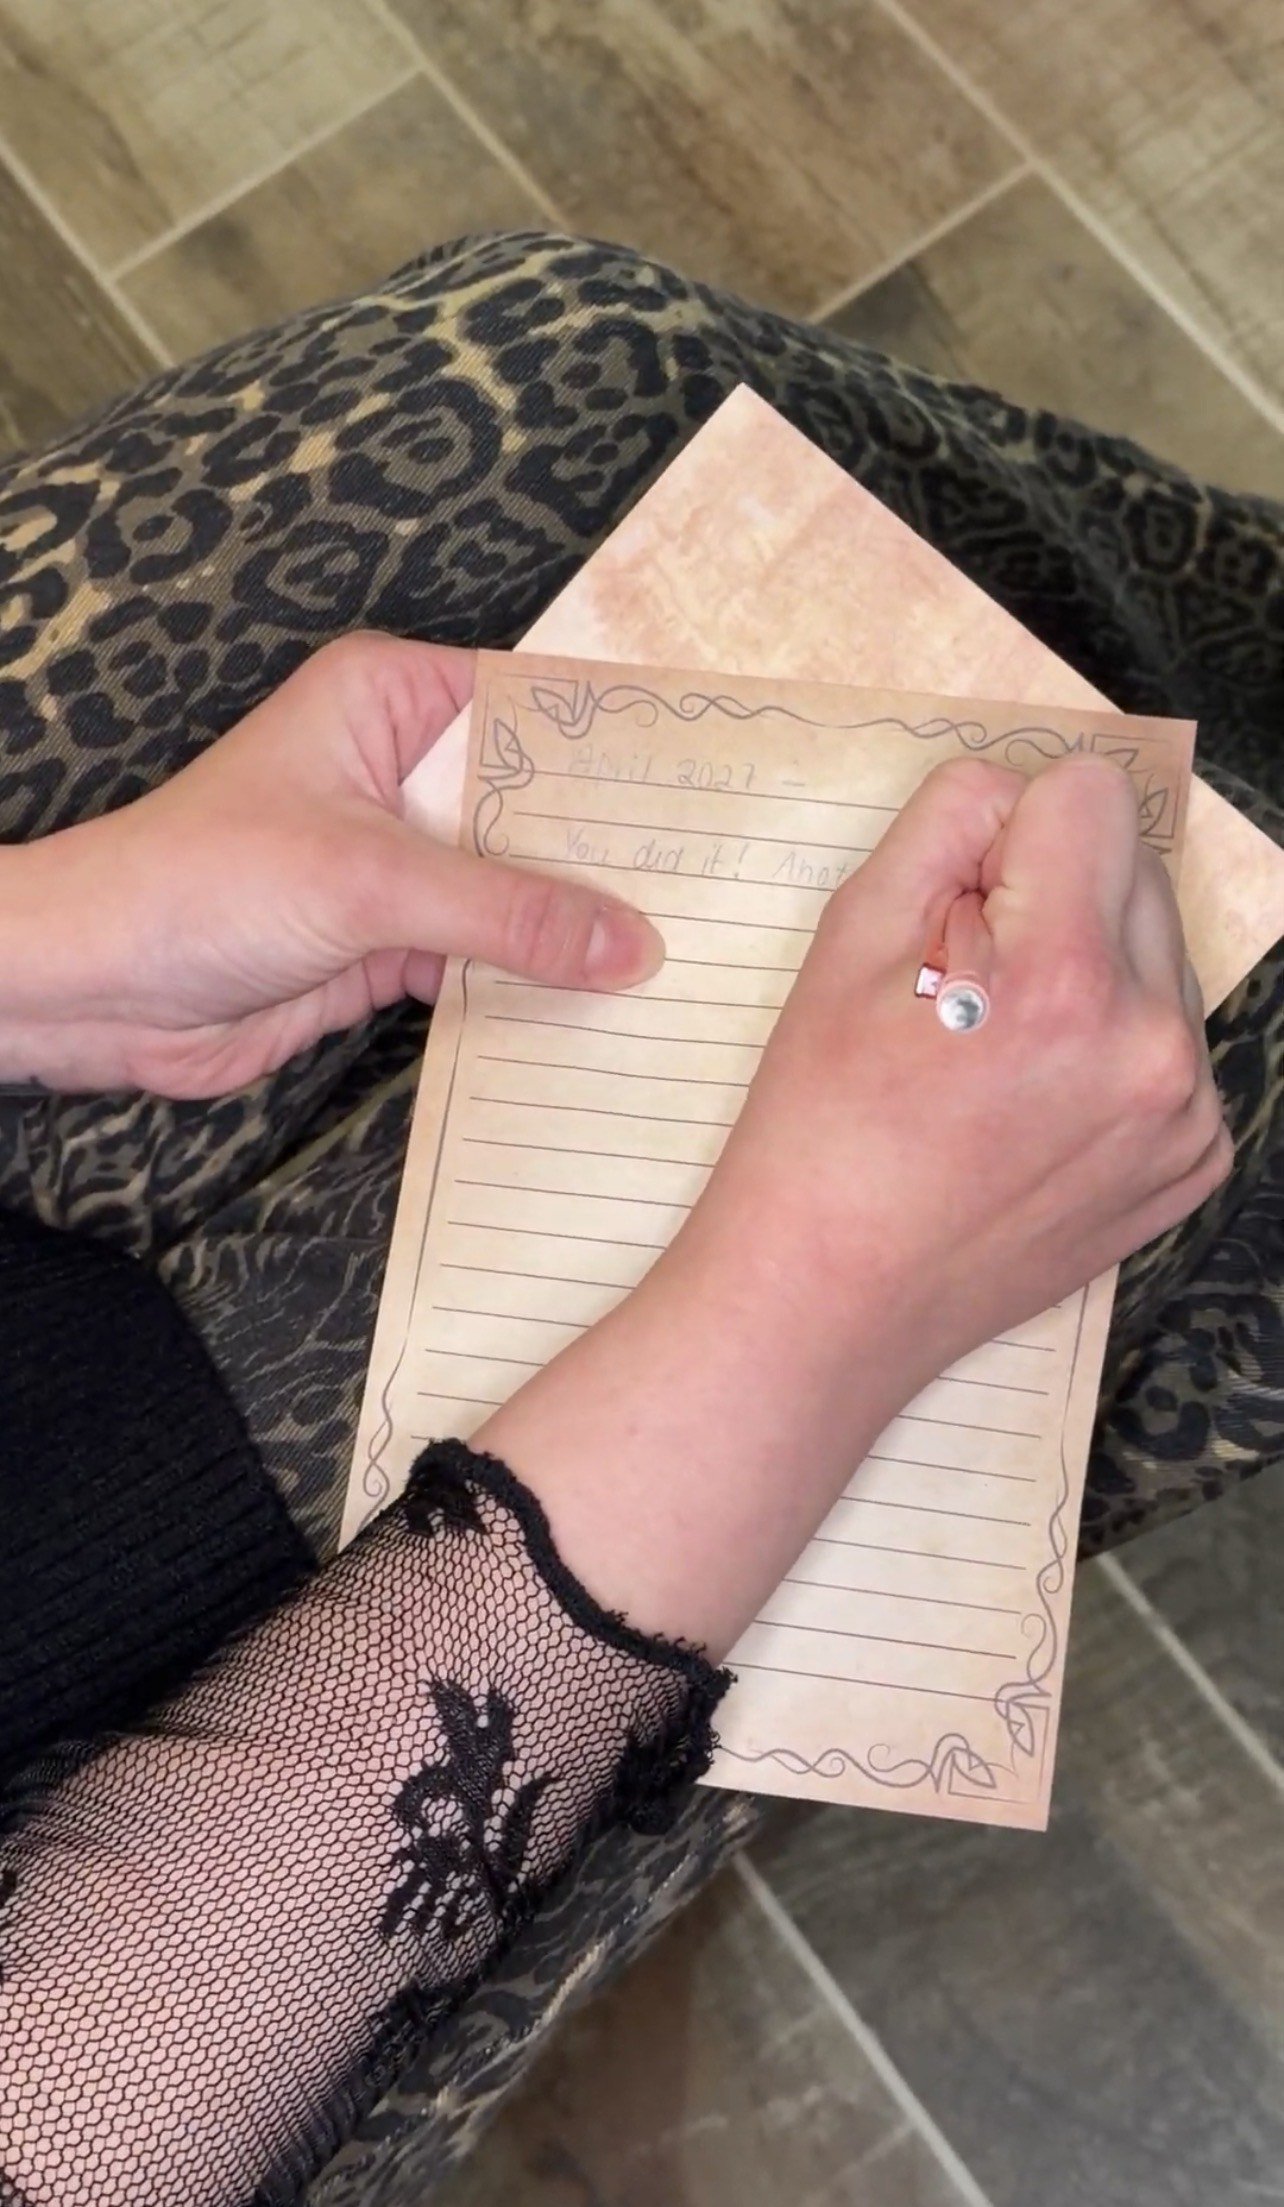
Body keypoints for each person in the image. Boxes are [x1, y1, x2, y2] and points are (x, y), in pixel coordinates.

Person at [0, 227, 1279, 2204]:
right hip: (204, 1785)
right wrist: (816, 1301)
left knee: (589, 371)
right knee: (1198, 1037)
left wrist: (48, 949)